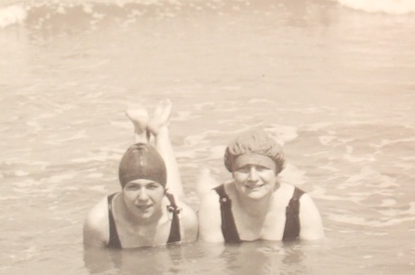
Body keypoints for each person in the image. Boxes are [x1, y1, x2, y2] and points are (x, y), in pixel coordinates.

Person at [84, 100, 198, 249]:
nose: (143, 197)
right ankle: (144, 132)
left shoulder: (184, 219)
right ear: (122, 189)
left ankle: (160, 131)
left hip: (171, 205)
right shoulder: (99, 223)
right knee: (149, 177)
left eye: (152, 187)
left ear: (164, 190)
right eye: (132, 187)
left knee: (177, 198)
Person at [198, 128, 324, 244]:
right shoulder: (214, 204)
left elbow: (313, 258)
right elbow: (213, 262)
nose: (253, 178)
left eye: (262, 168)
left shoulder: (299, 204)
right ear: (232, 173)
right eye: (243, 169)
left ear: (276, 172)